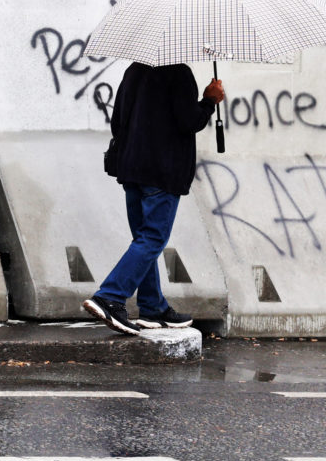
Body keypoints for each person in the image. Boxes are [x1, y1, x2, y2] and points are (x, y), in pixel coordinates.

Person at [83, 62, 225, 336]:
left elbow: (117, 123)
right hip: (161, 171)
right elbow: (189, 121)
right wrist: (209, 101)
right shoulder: (179, 73)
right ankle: (110, 297)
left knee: (143, 239)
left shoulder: (134, 70)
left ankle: (152, 306)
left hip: (131, 170)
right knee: (153, 239)